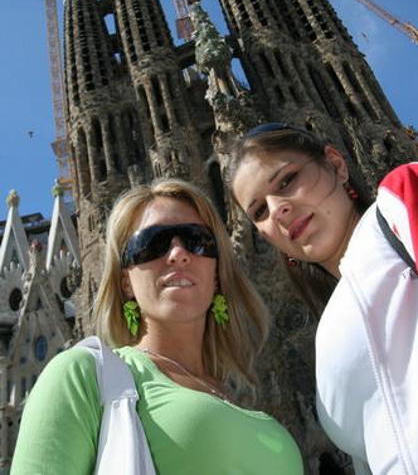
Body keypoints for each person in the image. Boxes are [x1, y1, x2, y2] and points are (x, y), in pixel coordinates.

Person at [11, 178, 304, 475]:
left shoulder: (240, 390)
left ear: (217, 272)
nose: (178, 254)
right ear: (125, 281)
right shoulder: (81, 375)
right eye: (152, 244)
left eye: (197, 240)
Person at [229, 122, 418, 474]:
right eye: (259, 212)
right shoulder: (328, 340)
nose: (277, 209)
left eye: (287, 180)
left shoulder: (404, 201)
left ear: (336, 164)